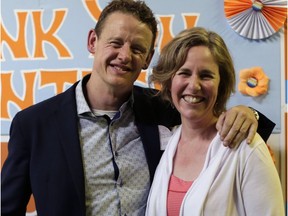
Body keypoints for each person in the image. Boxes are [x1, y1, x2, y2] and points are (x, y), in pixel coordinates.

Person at [1, 1, 276, 216]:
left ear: (147, 59)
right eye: (116, 42)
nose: (124, 55)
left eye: (137, 48)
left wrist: (247, 112)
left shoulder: (163, 107)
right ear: (93, 42)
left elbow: (211, 118)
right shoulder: (34, 124)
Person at [145, 27, 284, 216]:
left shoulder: (248, 149)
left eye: (206, 75)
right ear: (169, 81)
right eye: (184, 73)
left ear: (222, 83)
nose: (194, 85)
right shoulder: (168, 143)